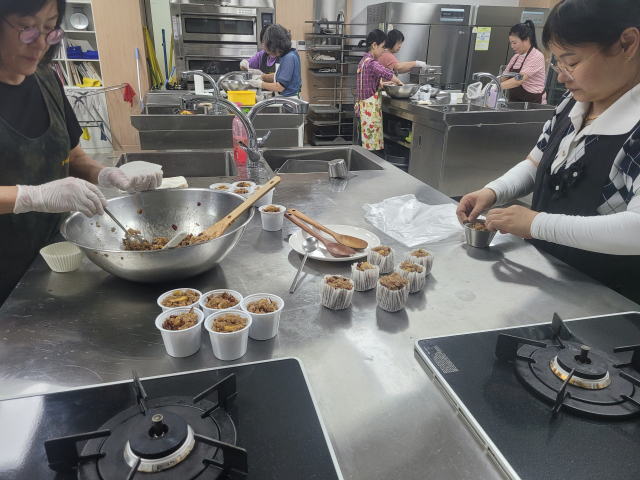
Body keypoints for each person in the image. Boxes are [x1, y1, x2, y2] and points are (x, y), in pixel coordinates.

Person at [456, 0, 640, 303]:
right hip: (547, 277)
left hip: (604, 300)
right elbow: (537, 162)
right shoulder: (572, 104)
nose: (562, 77)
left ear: (627, 44)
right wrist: (494, 191)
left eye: (572, 62)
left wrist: (536, 224)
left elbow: (635, 230)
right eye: (558, 64)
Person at [0, 0, 161, 305]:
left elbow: (73, 158)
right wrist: (32, 197)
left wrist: (109, 175)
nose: (40, 44)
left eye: (49, 29)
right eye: (27, 28)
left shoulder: (47, 79)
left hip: (55, 259)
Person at [356, 29, 402, 151]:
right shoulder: (371, 62)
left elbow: (369, 82)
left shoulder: (364, 61)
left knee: (362, 144)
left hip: (363, 110)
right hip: (368, 112)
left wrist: (382, 84)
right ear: (374, 45)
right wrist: (399, 82)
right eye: (382, 47)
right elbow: (386, 72)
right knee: (366, 149)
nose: (383, 51)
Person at [500, 20, 547, 104]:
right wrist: (492, 84)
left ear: (526, 39)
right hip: (516, 103)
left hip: (533, 103)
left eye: (515, 43)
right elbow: (504, 77)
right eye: (511, 43)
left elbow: (519, 80)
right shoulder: (516, 57)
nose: (512, 46)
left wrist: (497, 87)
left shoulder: (536, 56)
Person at [248, 24, 301, 97]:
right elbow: (280, 76)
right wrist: (261, 77)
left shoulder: (289, 58)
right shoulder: (287, 55)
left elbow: (279, 87)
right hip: (285, 98)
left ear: (274, 44)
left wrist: (260, 84)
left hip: (289, 99)